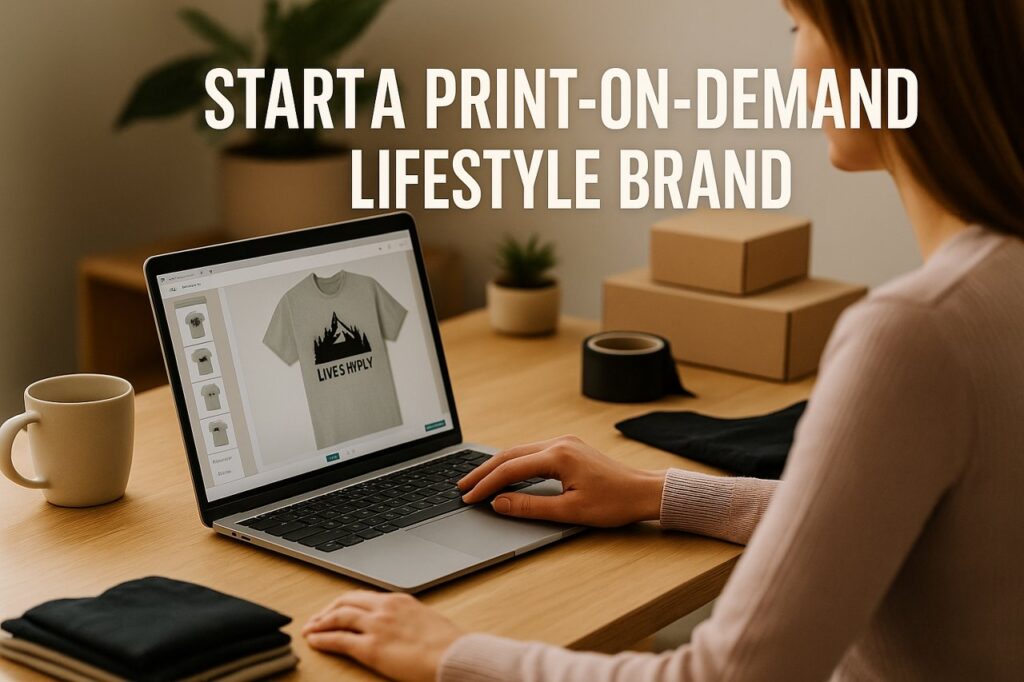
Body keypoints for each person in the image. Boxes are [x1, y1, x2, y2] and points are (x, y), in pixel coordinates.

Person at [301, 1, 1024, 680]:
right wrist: (658, 494)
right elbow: (879, 519)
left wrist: (453, 654)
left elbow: (727, 675)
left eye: (796, 27)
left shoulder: (914, 332)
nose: (794, 64)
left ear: (879, 54)